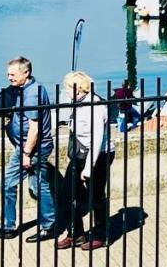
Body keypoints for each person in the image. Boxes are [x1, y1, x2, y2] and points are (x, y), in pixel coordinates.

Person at [0, 57, 57, 242]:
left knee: (8, 183)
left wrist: (26, 153)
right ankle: (49, 224)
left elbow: (35, 127)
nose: (9, 77)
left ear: (26, 73)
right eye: (8, 74)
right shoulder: (24, 89)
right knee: (38, 186)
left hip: (31, 148)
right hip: (29, 146)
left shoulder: (32, 93)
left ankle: (9, 226)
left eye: (12, 74)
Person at [57, 71, 114, 251]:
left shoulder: (95, 105)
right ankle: (76, 233)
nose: (65, 92)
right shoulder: (77, 104)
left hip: (99, 154)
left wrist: (89, 167)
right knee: (67, 194)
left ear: (78, 89)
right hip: (80, 153)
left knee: (96, 196)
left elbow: (97, 139)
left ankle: (100, 235)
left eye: (67, 88)